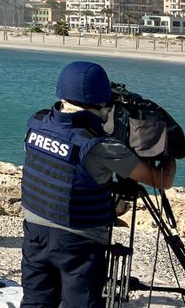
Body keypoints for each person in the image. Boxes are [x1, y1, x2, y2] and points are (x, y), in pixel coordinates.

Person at [21, 61, 176, 308]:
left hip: (34, 230)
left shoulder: (36, 122)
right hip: (79, 242)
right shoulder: (101, 146)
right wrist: (169, 147)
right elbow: (161, 181)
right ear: (101, 100)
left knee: (36, 302)